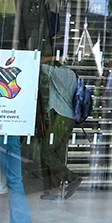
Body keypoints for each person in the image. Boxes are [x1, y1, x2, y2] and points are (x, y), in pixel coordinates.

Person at [39, 52, 80, 200]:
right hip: (69, 118)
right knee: (58, 153)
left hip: (59, 117)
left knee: (47, 151)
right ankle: (55, 191)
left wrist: (52, 58)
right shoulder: (73, 75)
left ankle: (72, 177)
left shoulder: (57, 72)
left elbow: (38, 62)